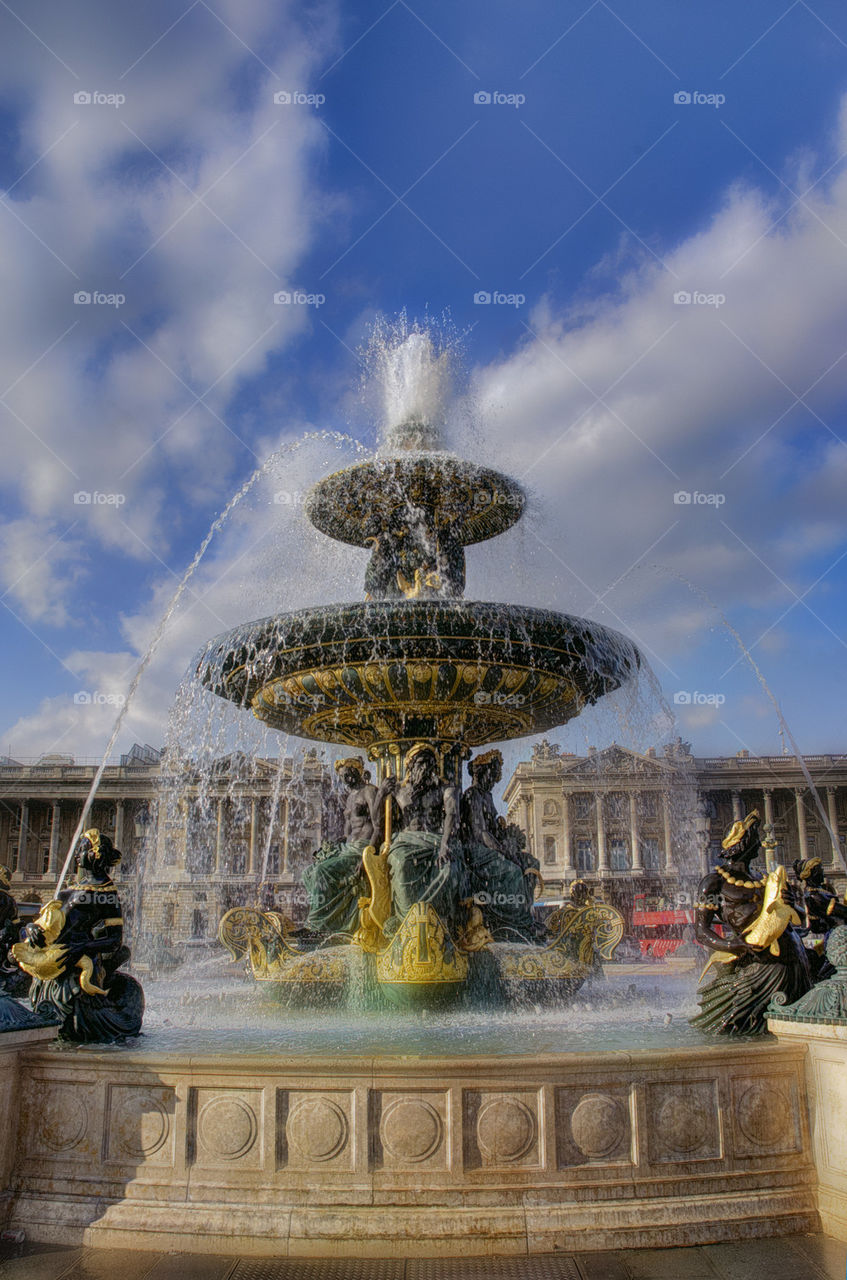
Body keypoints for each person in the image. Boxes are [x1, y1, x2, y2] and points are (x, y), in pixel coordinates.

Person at [11, 829, 143, 1042]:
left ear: (93, 855)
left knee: (69, 1025)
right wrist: (31, 929)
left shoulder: (106, 895)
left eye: (80, 851)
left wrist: (82, 947)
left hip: (76, 966)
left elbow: (114, 941)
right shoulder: (70, 889)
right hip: (53, 965)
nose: (75, 856)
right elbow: (48, 924)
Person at [690, 809, 812, 1035]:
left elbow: (801, 919)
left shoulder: (764, 879)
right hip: (760, 964)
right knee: (744, 1025)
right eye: (754, 839)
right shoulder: (713, 882)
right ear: (742, 845)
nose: (759, 844)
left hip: (793, 956)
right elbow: (700, 930)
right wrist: (734, 946)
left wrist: (792, 903)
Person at [372, 743, 465, 932]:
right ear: (411, 766)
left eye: (431, 764)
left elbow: (451, 815)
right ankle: (407, 922)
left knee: (448, 867)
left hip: (436, 840)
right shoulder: (398, 790)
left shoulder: (445, 788)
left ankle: (441, 923)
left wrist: (445, 844)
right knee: (402, 863)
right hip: (407, 841)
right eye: (421, 763)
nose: (426, 769)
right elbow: (377, 823)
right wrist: (381, 793)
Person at [460, 749, 542, 942]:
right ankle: (514, 923)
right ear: (481, 773)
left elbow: (494, 830)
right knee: (512, 871)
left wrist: (509, 843)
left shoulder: (486, 796)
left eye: (496, 776)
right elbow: (481, 833)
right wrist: (503, 852)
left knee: (530, 863)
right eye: (492, 774)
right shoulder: (473, 795)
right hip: (475, 850)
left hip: (490, 847)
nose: (494, 780)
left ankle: (526, 913)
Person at [302, 757, 375, 935]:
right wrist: (334, 844)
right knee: (309, 872)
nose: (345, 779)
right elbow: (348, 832)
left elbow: (378, 825)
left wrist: (369, 856)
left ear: (357, 771)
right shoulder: (350, 798)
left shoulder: (369, 791)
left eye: (348, 774)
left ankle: (317, 925)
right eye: (342, 776)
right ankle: (330, 920)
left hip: (362, 848)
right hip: (348, 847)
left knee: (322, 871)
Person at [793, 857, 847, 979]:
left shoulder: (819, 891)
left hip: (836, 933)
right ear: (811, 873)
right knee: (833, 965)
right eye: (819, 869)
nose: (823, 871)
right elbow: (842, 912)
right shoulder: (814, 896)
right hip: (834, 935)